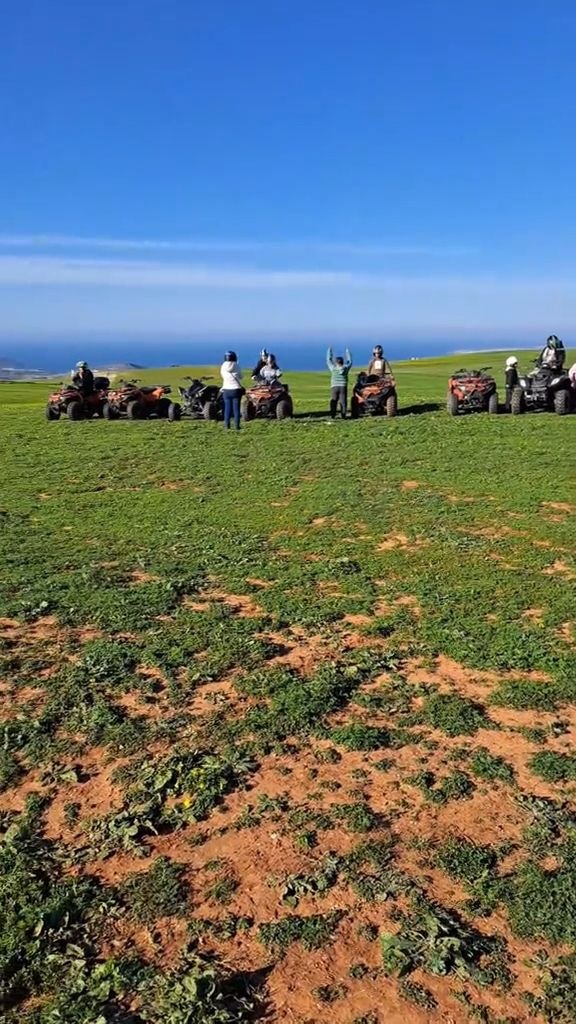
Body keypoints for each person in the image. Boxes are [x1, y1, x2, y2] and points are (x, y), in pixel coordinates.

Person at [326, 346, 352, 418]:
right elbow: (350, 362)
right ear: (342, 362)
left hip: (334, 386)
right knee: (343, 401)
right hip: (343, 386)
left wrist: (329, 351)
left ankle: (333, 415)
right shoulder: (346, 368)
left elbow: (328, 360)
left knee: (334, 400)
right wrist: (347, 352)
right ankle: (343, 415)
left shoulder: (333, 368)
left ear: (336, 362)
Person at [220, 350, 243, 430]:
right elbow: (241, 376)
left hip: (226, 389)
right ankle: (237, 426)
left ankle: (227, 426)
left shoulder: (223, 366)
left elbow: (222, 376)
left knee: (227, 409)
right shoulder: (236, 365)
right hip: (236, 389)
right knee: (236, 409)